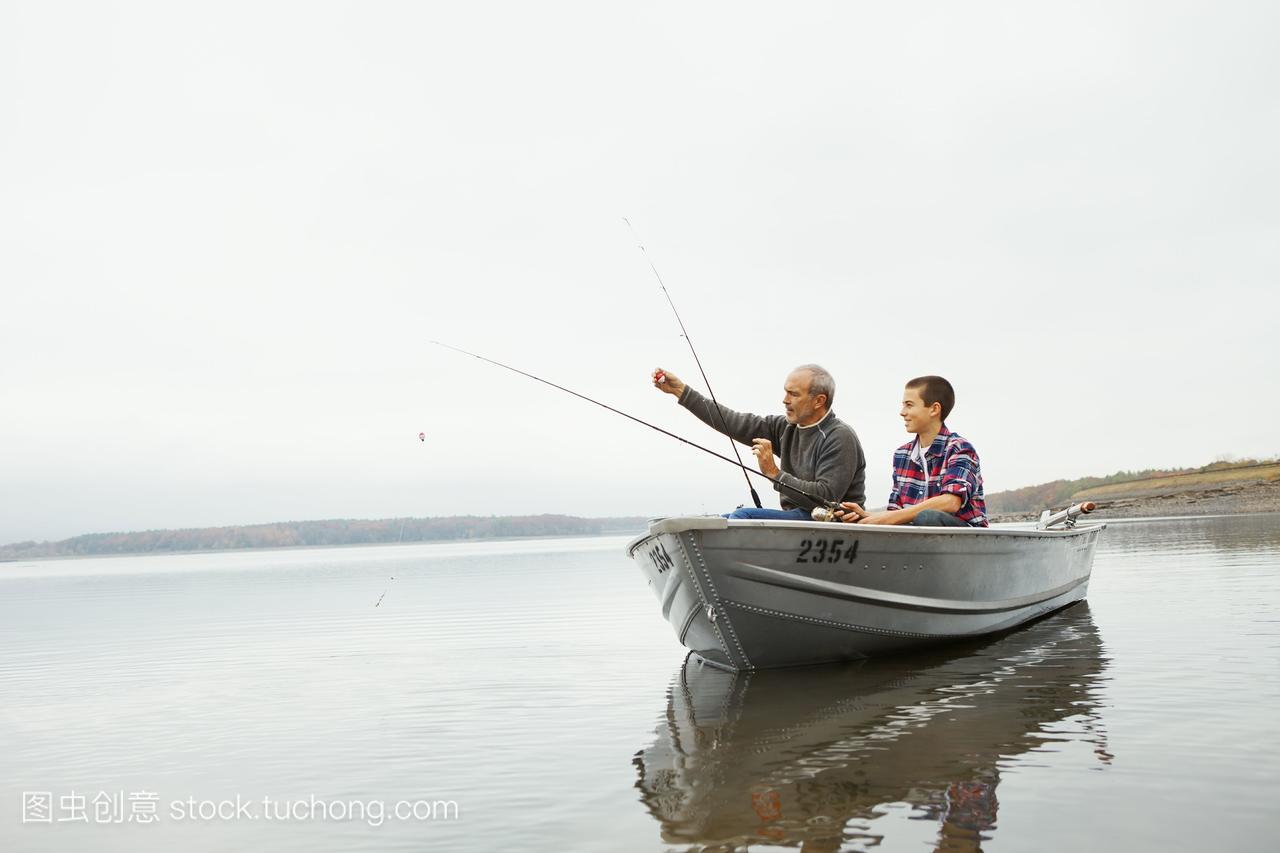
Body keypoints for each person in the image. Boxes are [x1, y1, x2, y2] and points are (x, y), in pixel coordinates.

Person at [652, 364, 866, 519]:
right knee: (716, 523)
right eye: (785, 392)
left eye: (793, 394)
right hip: (800, 521)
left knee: (742, 517)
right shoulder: (784, 428)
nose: (785, 400)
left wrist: (774, 473)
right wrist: (681, 391)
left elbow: (826, 497)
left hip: (832, 524)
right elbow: (732, 422)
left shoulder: (839, 436)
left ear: (819, 400)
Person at [835, 375, 987, 527]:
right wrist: (867, 517)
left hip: (967, 536)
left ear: (934, 409)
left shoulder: (959, 448)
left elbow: (951, 502)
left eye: (909, 405)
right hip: (919, 536)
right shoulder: (902, 455)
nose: (902, 412)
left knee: (927, 517)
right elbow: (896, 512)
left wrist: (888, 518)